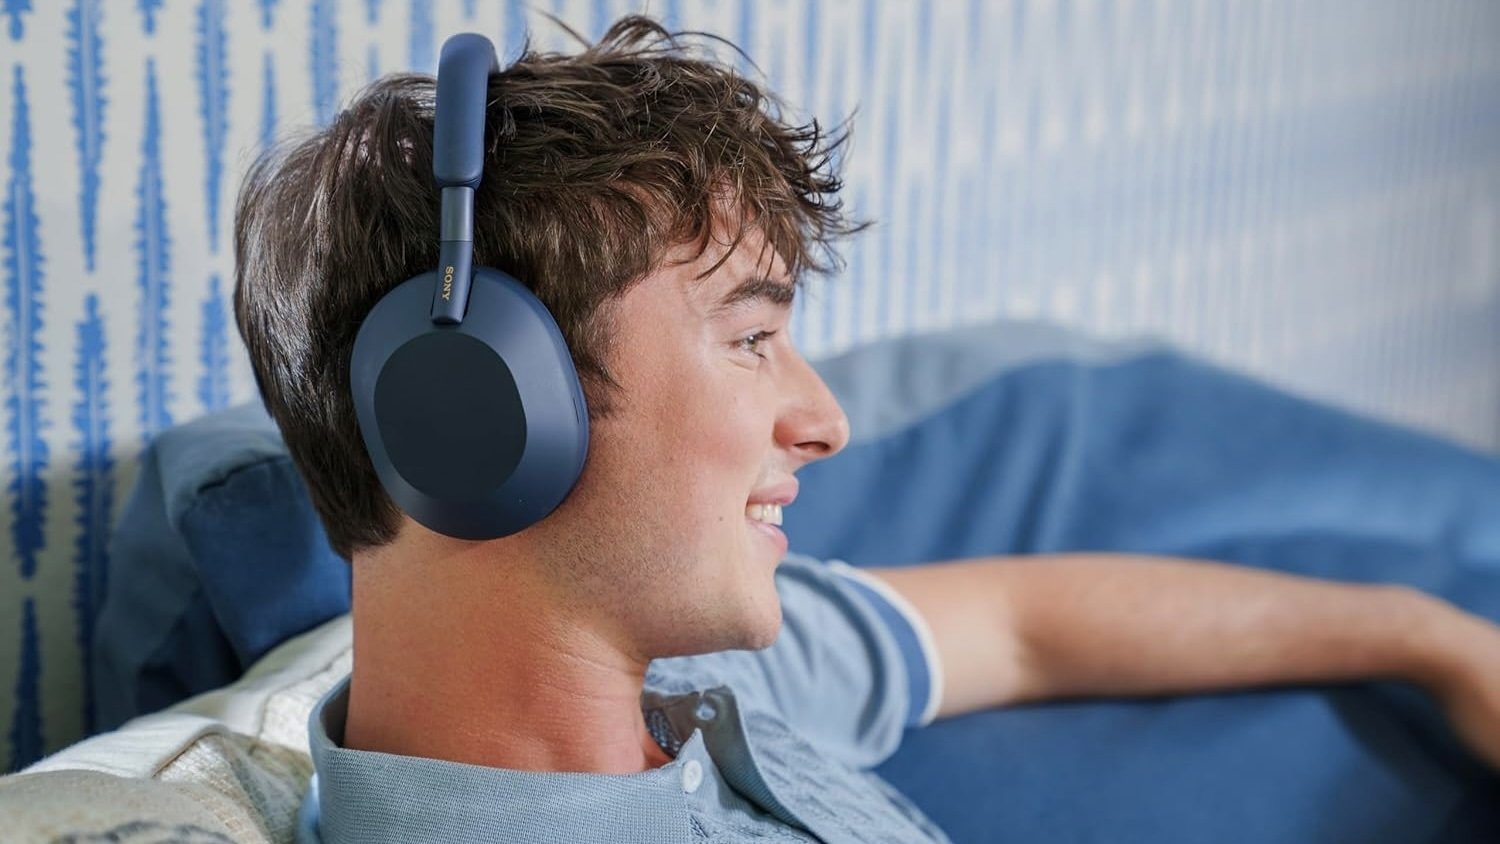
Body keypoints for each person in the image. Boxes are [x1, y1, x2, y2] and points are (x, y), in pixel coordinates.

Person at [232, 16, 1500, 844]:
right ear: (478, 415)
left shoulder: (690, 683)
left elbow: (1023, 624)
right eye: (748, 337)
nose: (824, 420)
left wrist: (1433, 639)